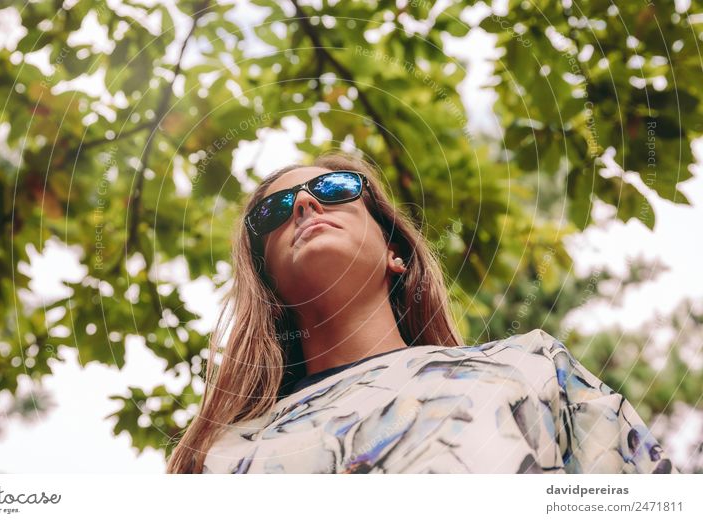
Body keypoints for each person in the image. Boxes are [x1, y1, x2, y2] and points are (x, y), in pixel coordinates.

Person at [166, 151, 678, 474]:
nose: (303, 205)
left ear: (396, 252)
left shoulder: (531, 367)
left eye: (332, 189)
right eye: (273, 211)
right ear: (268, 286)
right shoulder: (222, 456)